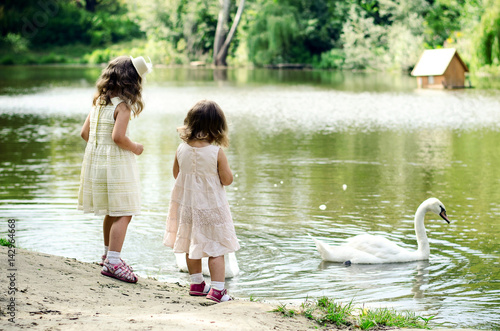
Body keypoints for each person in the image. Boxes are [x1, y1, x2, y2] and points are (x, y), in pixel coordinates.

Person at [78, 55, 152, 283]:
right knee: (124, 211)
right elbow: (118, 137)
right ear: (132, 81)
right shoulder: (123, 107)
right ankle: (114, 261)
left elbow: (84, 134)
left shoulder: (99, 102)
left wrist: (100, 151)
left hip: (98, 163)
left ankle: (107, 254)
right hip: (117, 164)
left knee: (112, 209)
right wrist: (136, 147)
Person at [163, 100, 240, 303]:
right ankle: (218, 289)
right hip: (211, 207)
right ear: (217, 127)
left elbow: (175, 173)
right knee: (217, 248)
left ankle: (197, 283)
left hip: (187, 206)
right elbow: (227, 180)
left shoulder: (181, 149)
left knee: (190, 243)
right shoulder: (216, 153)